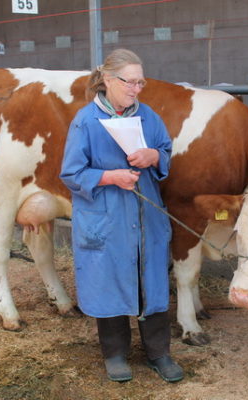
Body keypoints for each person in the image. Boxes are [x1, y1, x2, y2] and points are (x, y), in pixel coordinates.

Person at [60, 48, 183, 383]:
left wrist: (153, 156)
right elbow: (71, 173)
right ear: (108, 81)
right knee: (110, 281)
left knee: (152, 282)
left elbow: (166, 151)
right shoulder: (86, 121)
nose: (136, 89)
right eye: (129, 82)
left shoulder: (148, 117)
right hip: (107, 217)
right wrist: (109, 177)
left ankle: (159, 352)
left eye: (140, 82)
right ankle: (115, 354)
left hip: (146, 217)